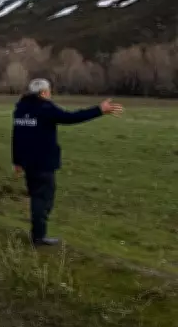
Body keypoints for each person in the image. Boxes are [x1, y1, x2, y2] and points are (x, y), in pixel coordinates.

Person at [12, 78, 124, 246]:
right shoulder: (45, 108)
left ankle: (37, 233)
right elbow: (70, 117)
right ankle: (38, 237)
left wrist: (17, 161)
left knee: (37, 197)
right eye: (49, 91)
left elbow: (16, 136)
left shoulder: (21, 108)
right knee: (43, 200)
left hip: (28, 163)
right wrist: (99, 110)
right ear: (43, 93)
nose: (50, 94)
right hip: (43, 163)